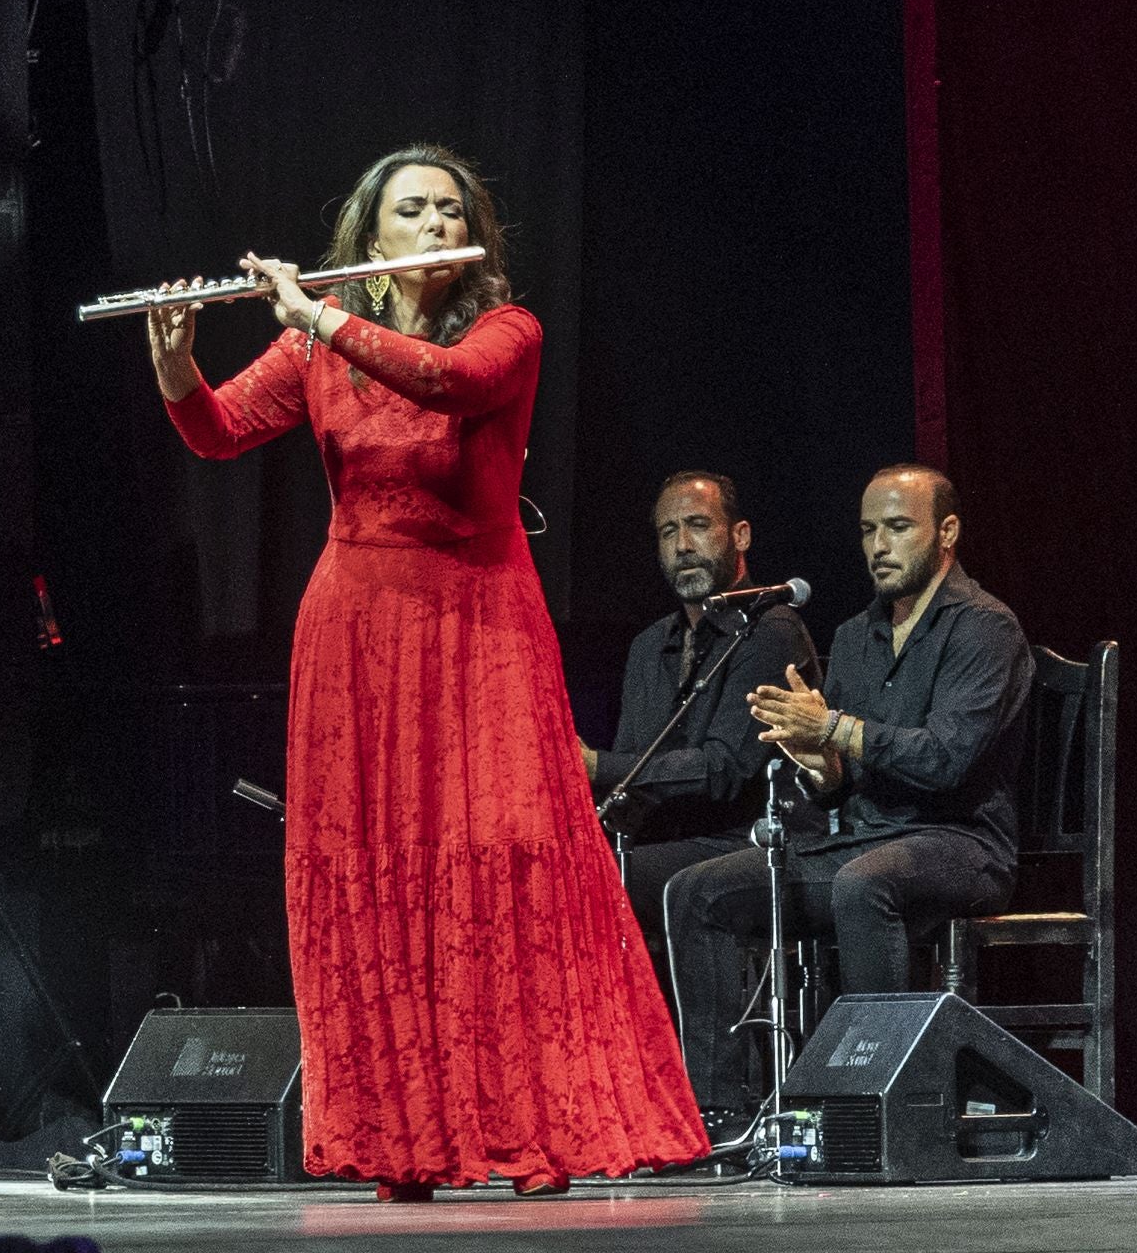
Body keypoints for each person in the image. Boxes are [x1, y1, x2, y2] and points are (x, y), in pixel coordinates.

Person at [145, 145, 707, 1197]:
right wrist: (174, 360)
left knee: (504, 858)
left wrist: (313, 314)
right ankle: (405, 1139)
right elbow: (215, 432)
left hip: (480, 617)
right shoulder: (326, 347)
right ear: (374, 236)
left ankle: (541, 1127)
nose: (438, 220)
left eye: (452, 206)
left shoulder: (508, 332)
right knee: (377, 867)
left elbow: (449, 384)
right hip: (356, 629)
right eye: (414, 208)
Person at [662, 464, 1033, 1127]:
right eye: (868, 531)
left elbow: (945, 761)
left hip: (961, 842)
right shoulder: (854, 637)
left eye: (897, 528)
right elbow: (842, 779)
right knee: (697, 891)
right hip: (861, 838)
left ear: (946, 532)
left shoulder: (984, 629)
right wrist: (819, 764)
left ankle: (881, 1106)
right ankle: (720, 1112)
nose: (879, 547)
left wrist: (836, 727)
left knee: (863, 886)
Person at [579, 471, 819, 940]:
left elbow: (722, 769)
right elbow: (633, 770)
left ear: (740, 535)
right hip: (668, 840)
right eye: (669, 532)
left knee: (599, 879)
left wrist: (594, 766)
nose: (683, 545)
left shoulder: (771, 629)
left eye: (698, 525)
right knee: (554, 863)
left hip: (747, 846)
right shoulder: (649, 647)